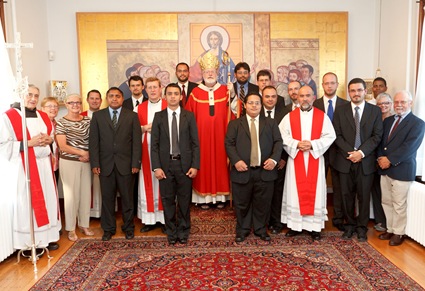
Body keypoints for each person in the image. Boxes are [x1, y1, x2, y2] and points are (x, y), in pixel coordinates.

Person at [0, 84, 61, 251]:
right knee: (28, 204)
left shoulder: (43, 115)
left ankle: (47, 237)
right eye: (29, 95)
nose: (33, 98)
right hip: (25, 168)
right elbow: (3, 145)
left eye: (36, 95)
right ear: (20, 95)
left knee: (48, 200)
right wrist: (28, 143)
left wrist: (50, 141)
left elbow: (52, 137)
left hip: (45, 167)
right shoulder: (9, 117)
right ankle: (30, 242)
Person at [279, 85, 335, 241]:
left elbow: (330, 136)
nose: (304, 99)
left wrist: (312, 145)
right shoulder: (289, 117)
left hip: (314, 159)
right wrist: (296, 144)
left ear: (313, 97)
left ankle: (314, 228)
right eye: (301, 96)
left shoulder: (322, 116)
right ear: (297, 97)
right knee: (294, 192)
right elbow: (281, 136)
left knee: (315, 193)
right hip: (295, 158)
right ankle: (295, 226)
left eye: (307, 95)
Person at [225, 93, 282, 242]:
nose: (254, 106)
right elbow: (229, 144)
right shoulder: (235, 124)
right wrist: (236, 161)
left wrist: (274, 160)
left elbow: (278, 142)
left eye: (257, 103)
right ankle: (242, 230)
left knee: (262, 203)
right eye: (251, 103)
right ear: (245, 105)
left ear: (261, 105)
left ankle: (260, 229)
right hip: (242, 171)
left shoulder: (270, 123)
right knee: (241, 203)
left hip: (265, 171)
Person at [332, 78, 383, 242]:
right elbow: (336, 135)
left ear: (365, 91)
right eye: (352, 91)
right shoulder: (340, 110)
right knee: (346, 196)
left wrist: (361, 153)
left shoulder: (375, 111)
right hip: (345, 161)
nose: (356, 93)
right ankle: (349, 226)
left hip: (366, 162)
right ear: (349, 92)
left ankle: (362, 228)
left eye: (359, 90)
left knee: (363, 196)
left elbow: (377, 136)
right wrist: (351, 152)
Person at [89, 87, 142, 241]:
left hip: (126, 165)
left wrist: (135, 163)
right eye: (111, 96)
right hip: (105, 165)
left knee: (127, 199)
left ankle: (128, 228)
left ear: (122, 98)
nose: (114, 99)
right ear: (107, 98)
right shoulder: (98, 116)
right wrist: (95, 163)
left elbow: (137, 143)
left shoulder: (132, 116)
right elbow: (94, 142)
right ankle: (108, 229)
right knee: (107, 199)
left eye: (117, 96)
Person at [151, 83, 200, 244]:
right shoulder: (159, 117)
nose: (172, 96)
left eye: (175, 93)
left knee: (185, 201)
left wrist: (195, 165)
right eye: (169, 93)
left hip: (184, 166)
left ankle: (184, 231)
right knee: (168, 200)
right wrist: (156, 167)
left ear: (180, 96)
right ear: (165, 97)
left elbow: (195, 143)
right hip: (165, 166)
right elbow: (155, 145)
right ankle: (171, 232)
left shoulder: (189, 116)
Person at [377, 90, 425, 246]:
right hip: (384, 168)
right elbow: (380, 142)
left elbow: (409, 147)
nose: (399, 105)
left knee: (399, 204)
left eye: (402, 102)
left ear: (410, 103)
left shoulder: (418, 123)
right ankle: (390, 229)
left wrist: (390, 160)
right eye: (396, 102)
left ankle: (398, 233)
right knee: (387, 201)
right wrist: (381, 159)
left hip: (402, 169)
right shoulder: (388, 121)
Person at [185, 52, 231, 209]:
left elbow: (236, 113)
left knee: (220, 166)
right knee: (203, 165)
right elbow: (187, 117)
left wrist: (233, 98)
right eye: (207, 72)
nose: (210, 74)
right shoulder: (195, 93)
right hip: (201, 139)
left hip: (221, 137)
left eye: (213, 71)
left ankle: (220, 198)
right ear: (202, 74)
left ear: (218, 73)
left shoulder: (226, 90)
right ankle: (202, 199)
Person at [312, 72, 349, 231]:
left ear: (337, 84)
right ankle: (315, 217)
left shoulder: (346, 105)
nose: (329, 86)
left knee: (339, 186)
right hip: (319, 152)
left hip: (339, 152)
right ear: (322, 85)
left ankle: (339, 218)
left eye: (332, 83)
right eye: (326, 83)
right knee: (316, 184)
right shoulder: (314, 105)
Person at [56, 94, 93, 241]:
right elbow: (62, 146)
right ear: (66, 104)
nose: (75, 105)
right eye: (72, 103)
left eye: (78, 102)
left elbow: (94, 139)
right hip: (69, 162)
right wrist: (81, 152)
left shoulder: (87, 120)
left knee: (85, 194)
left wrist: (88, 154)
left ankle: (84, 224)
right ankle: (71, 228)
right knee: (71, 196)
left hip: (86, 161)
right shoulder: (61, 122)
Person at [135, 77, 167, 233]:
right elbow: (133, 130)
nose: (153, 90)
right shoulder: (139, 108)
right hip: (145, 150)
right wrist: (144, 127)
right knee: (147, 182)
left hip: (165, 151)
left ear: (161, 88)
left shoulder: (169, 105)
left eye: (155, 87)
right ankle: (149, 220)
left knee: (164, 183)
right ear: (145, 90)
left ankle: (165, 218)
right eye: (150, 87)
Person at [260, 85, 289, 234]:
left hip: (280, 162)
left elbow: (288, 137)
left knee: (277, 194)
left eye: (273, 96)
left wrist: (281, 158)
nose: (270, 99)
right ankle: (261, 222)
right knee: (262, 194)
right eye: (267, 96)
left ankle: (276, 223)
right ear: (262, 97)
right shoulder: (255, 112)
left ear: (277, 98)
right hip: (261, 162)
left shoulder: (285, 113)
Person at [370, 92, 394, 232]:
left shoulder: (395, 119)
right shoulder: (374, 117)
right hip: (375, 160)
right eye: (380, 104)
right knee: (377, 192)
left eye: (386, 103)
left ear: (391, 105)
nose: (383, 106)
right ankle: (380, 220)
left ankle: (389, 223)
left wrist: (386, 159)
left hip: (389, 161)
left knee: (388, 195)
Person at [81, 89, 103, 218]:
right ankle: (86, 213)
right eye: (92, 98)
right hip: (84, 155)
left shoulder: (106, 114)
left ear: (101, 101)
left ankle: (99, 212)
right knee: (85, 184)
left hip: (101, 155)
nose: (94, 101)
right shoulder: (81, 115)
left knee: (99, 185)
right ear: (87, 100)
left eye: (97, 98)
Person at [41, 97, 60, 182]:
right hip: (44, 162)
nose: (53, 108)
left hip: (56, 163)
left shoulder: (58, 124)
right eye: (49, 106)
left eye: (55, 106)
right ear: (42, 108)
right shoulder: (40, 123)